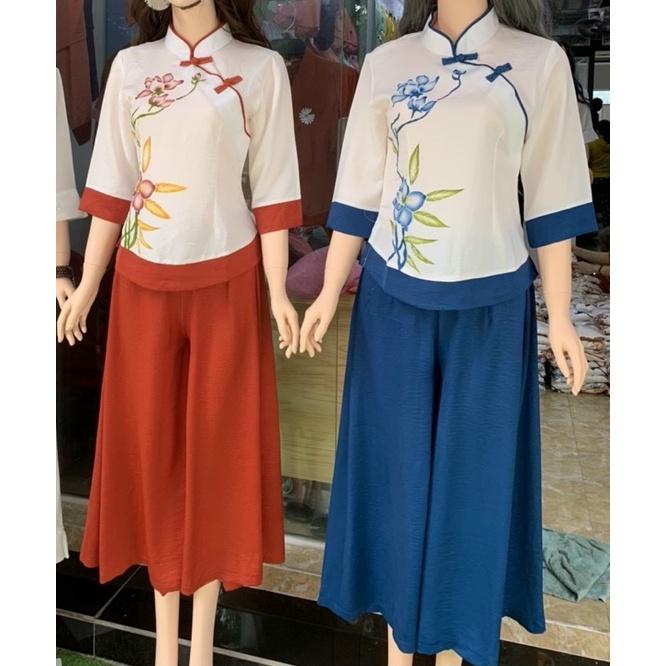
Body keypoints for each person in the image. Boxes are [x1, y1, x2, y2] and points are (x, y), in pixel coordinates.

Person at [299, 1, 596, 665]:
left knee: (474, 489)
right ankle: (397, 647)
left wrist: (561, 316)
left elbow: (551, 198)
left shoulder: (538, 63)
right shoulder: (387, 64)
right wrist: (326, 292)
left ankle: (461, 641)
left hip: (491, 307)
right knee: (396, 483)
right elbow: (359, 192)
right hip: (393, 304)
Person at [56, 2, 302, 665]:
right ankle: (167, 650)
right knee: (153, 456)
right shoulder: (131, 67)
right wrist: (88, 281)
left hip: (229, 282)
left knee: (216, 460)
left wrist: (278, 291)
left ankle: (202, 651)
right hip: (143, 284)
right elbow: (112, 185)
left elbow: (274, 191)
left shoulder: (260, 70)